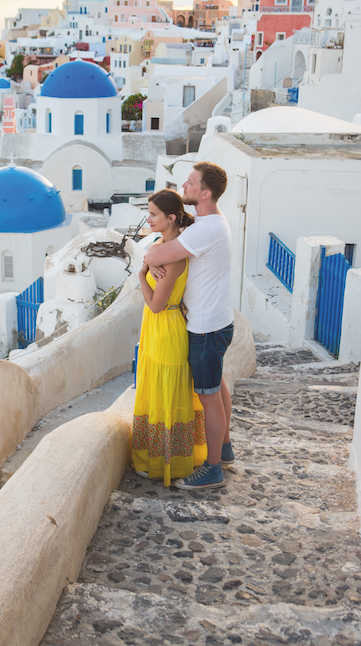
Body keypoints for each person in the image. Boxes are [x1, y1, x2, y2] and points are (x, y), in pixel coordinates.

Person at [144, 161, 234, 490]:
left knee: (208, 396)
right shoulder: (210, 223)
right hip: (218, 320)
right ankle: (224, 447)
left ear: (205, 193)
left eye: (191, 182)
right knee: (218, 385)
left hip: (206, 326)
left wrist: (148, 266)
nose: (184, 185)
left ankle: (212, 469)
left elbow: (155, 256)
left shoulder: (204, 229)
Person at [132, 189, 207, 487]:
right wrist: (149, 264)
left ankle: (168, 464)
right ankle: (153, 459)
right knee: (154, 391)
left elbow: (156, 304)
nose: (148, 219)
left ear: (171, 218)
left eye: (153, 214)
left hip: (166, 327)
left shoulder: (174, 255)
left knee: (166, 396)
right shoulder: (162, 246)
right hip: (155, 330)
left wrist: (142, 275)